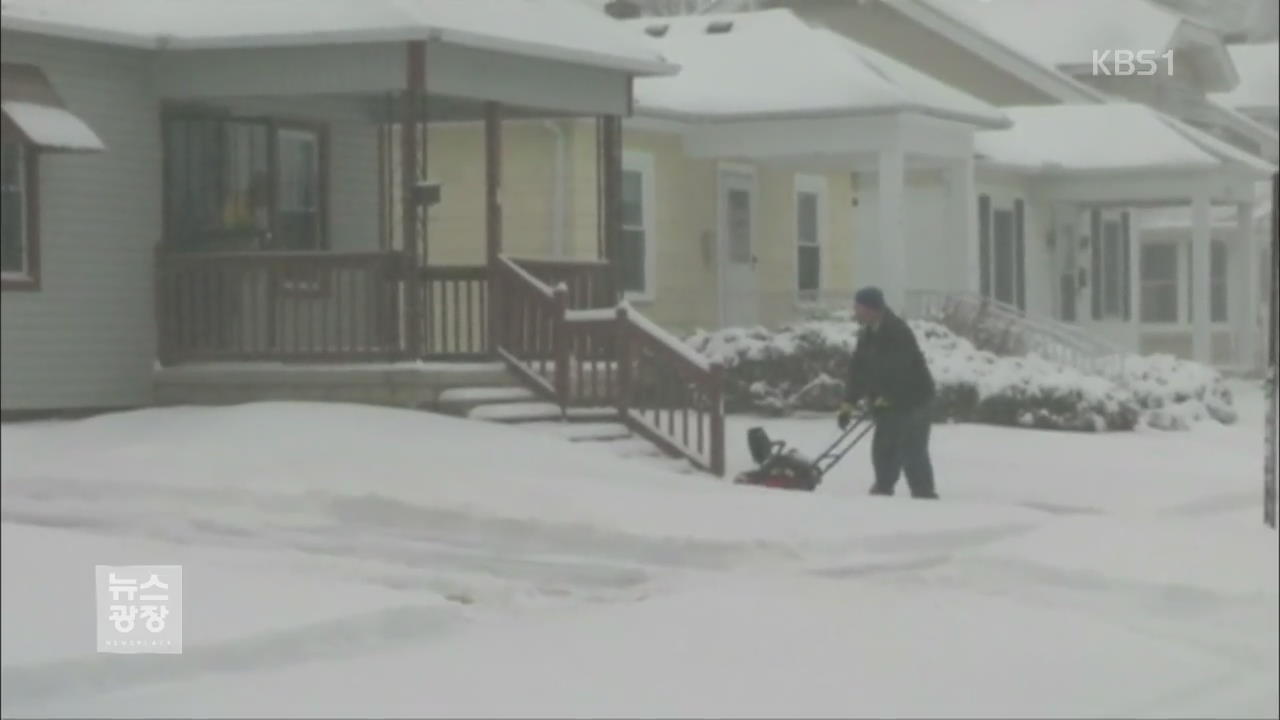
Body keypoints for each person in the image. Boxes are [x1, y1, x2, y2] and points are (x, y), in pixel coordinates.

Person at [836, 287, 939, 499]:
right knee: (884, 447)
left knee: (912, 449)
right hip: (888, 400)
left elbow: (901, 368)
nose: (855, 311)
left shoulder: (897, 331)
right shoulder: (868, 332)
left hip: (915, 398)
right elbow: (858, 370)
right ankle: (883, 488)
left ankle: (924, 494)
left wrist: (889, 396)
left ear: (872, 309)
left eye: (858, 307)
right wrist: (848, 404)